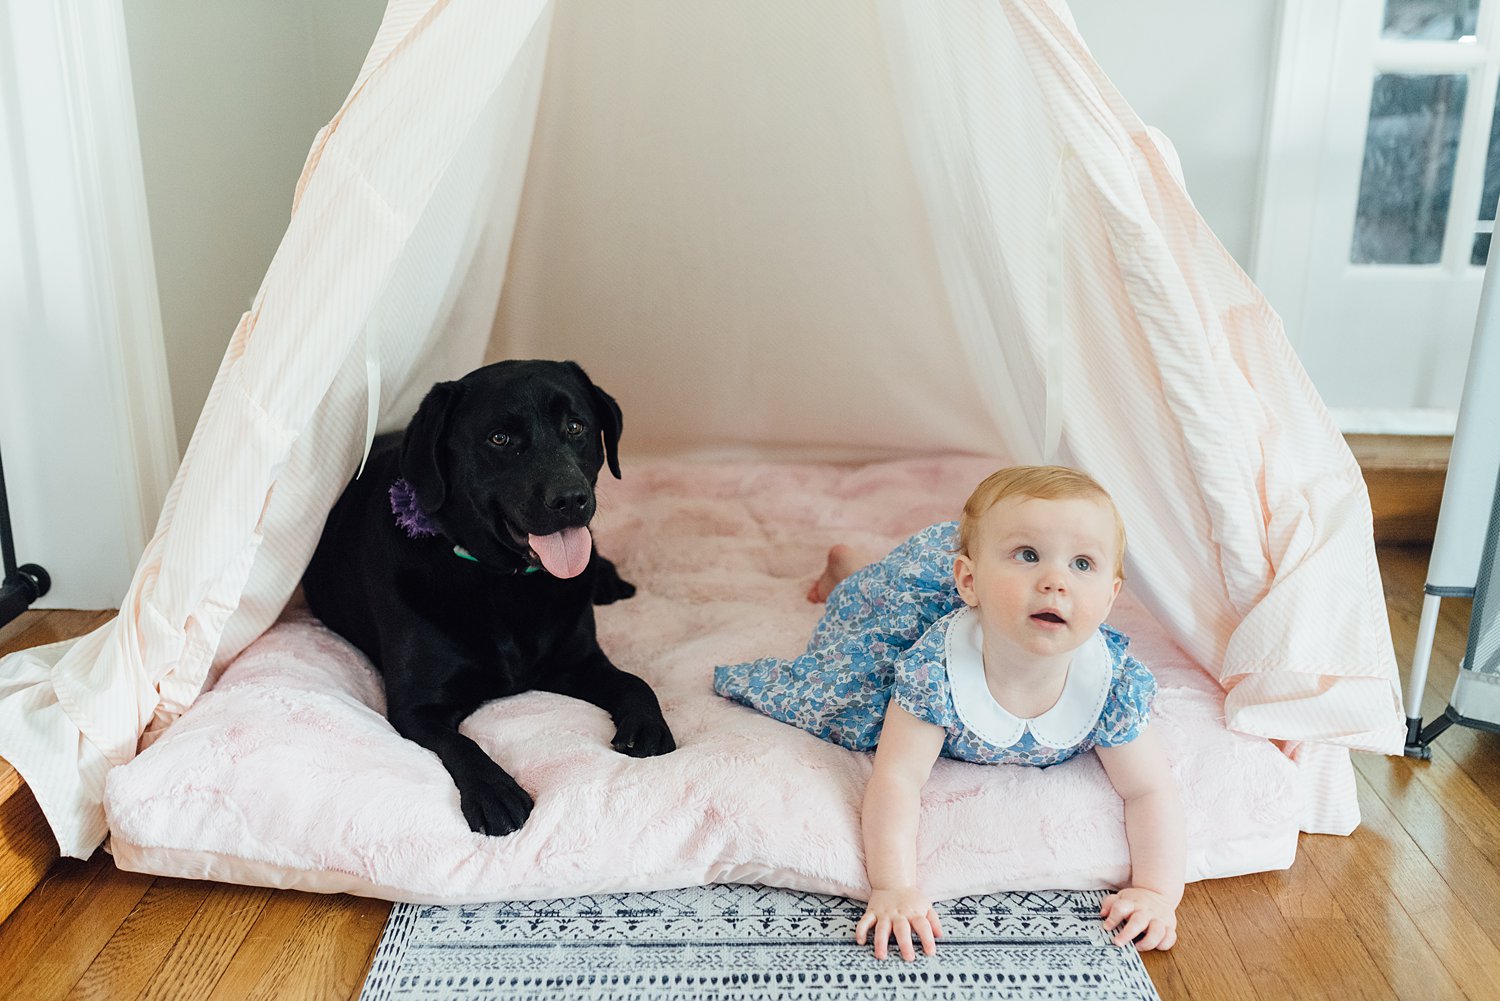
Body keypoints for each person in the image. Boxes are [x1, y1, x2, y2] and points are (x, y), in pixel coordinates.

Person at [713, 465, 1182, 961]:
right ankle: (846, 574)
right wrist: (893, 886)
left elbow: (1149, 789)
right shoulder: (935, 668)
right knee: (861, 622)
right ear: (971, 581)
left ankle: (856, 569)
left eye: (1082, 564)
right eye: (1027, 555)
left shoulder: (1108, 684)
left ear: (1110, 598)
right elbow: (897, 777)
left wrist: (1157, 892)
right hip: (918, 602)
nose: (1054, 582)